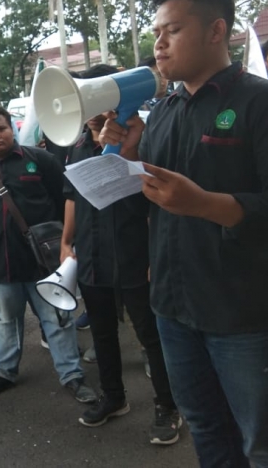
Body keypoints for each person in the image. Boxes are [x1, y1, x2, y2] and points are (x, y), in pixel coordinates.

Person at [100, 0, 268, 466]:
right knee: (208, 430)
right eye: (156, 32)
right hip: (173, 307)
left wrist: (207, 203)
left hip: (245, 313)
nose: (159, 43)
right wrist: (127, 158)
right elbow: (154, 200)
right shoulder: (163, 113)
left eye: (172, 30)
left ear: (217, 31)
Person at [61, 68, 181, 444]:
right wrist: (68, 243)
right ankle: (114, 397)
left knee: (150, 333)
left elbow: (160, 199)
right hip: (93, 253)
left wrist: (155, 254)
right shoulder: (79, 144)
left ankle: (168, 406)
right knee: (101, 331)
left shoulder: (144, 136)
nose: (93, 112)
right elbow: (73, 198)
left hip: (135, 252)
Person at [0, 105, 96, 402]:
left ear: (12, 128)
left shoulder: (41, 160)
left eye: (1, 128)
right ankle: (4, 372)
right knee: (5, 322)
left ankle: (72, 375)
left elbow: (66, 202)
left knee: (58, 319)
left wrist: (66, 244)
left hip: (44, 263)